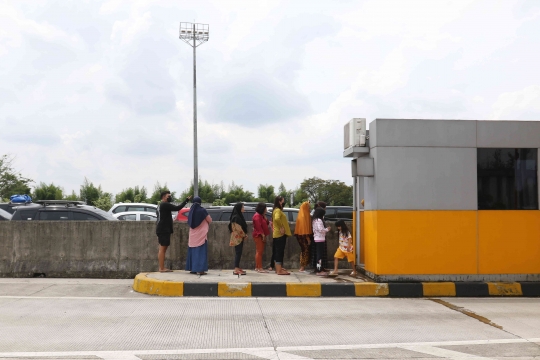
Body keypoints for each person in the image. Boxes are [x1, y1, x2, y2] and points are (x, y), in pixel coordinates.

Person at [155, 191, 191, 272]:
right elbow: (177, 208)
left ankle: (161, 267)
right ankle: (161, 268)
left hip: (162, 229)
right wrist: (186, 200)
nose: (170, 197)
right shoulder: (165, 204)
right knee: (162, 249)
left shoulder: (160, 205)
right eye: (168, 196)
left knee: (162, 248)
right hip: (163, 230)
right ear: (163, 197)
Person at [185, 196, 212, 275]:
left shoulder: (191, 211)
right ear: (200, 202)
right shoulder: (202, 210)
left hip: (192, 235)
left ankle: (193, 269)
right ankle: (200, 270)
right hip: (201, 235)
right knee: (200, 252)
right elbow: (209, 220)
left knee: (193, 251)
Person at [271, 195, 291, 275]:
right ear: (279, 202)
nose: (284, 202)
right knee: (279, 252)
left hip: (276, 234)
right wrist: (282, 227)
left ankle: (278, 268)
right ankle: (279, 270)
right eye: (283, 201)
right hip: (280, 234)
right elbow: (276, 219)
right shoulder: (278, 210)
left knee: (277, 252)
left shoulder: (275, 210)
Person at [229, 202, 248, 275]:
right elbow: (239, 229)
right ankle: (236, 269)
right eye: (242, 207)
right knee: (238, 252)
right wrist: (244, 235)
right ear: (239, 208)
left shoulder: (238, 216)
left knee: (239, 252)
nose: (244, 208)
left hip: (239, 237)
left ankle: (237, 267)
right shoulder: (236, 217)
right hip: (237, 238)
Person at [294, 201, 312, 273]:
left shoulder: (302, 215)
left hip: (300, 236)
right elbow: (305, 229)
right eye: (308, 206)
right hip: (303, 237)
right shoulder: (304, 216)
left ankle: (302, 266)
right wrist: (308, 238)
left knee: (304, 251)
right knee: (305, 251)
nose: (309, 208)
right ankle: (302, 267)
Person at [310, 201, 329, 272]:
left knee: (318, 255)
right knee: (320, 256)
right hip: (320, 239)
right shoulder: (319, 220)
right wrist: (327, 229)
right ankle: (319, 269)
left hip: (316, 239)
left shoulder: (314, 220)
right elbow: (321, 229)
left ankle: (319, 268)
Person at [252, 202, 270, 273]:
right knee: (259, 251)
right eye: (265, 208)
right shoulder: (257, 216)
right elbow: (258, 227)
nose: (266, 209)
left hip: (261, 235)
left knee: (259, 251)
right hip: (258, 235)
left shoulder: (261, 215)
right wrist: (262, 235)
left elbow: (267, 223)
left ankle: (257, 267)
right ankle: (259, 267)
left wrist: (265, 217)